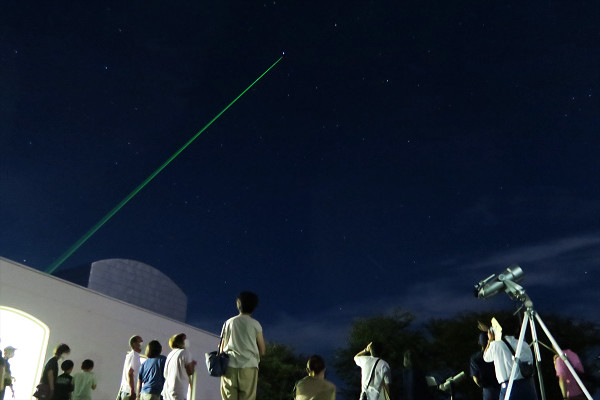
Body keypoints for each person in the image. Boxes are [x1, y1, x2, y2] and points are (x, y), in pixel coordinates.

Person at [219, 291, 266, 400]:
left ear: (238, 305)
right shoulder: (255, 324)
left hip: (230, 366)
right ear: (254, 307)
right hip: (249, 366)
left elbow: (221, 348)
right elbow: (262, 350)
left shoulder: (228, 322)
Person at [482, 318, 537, 400]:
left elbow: (486, 357)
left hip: (509, 387)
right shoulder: (524, 344)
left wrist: (490, 340)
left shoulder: (496, 345)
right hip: (528, 385)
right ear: (516, 330)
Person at [162, 333, 196, 400]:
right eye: (185, 339)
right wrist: (192, 365)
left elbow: (165, 373)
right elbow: (190, 371)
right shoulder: (185, 352)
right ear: (180, 341)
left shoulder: (170, 354)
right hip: (178, 390)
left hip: (167, 390)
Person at [470, 333, 500, 400]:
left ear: (479, 343)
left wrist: (482, 385)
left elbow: (476, 379)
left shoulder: (475, 358)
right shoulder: (498, 353)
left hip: (488, 391)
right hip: (502, 386)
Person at [117, 335, 143, 400]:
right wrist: (132, 391)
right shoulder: (135, 355)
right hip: (129, 391)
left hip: (124, 390)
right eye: (140, 343)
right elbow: (130, 373)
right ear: (134, 344)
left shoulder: (129, 355)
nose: (141, 345)